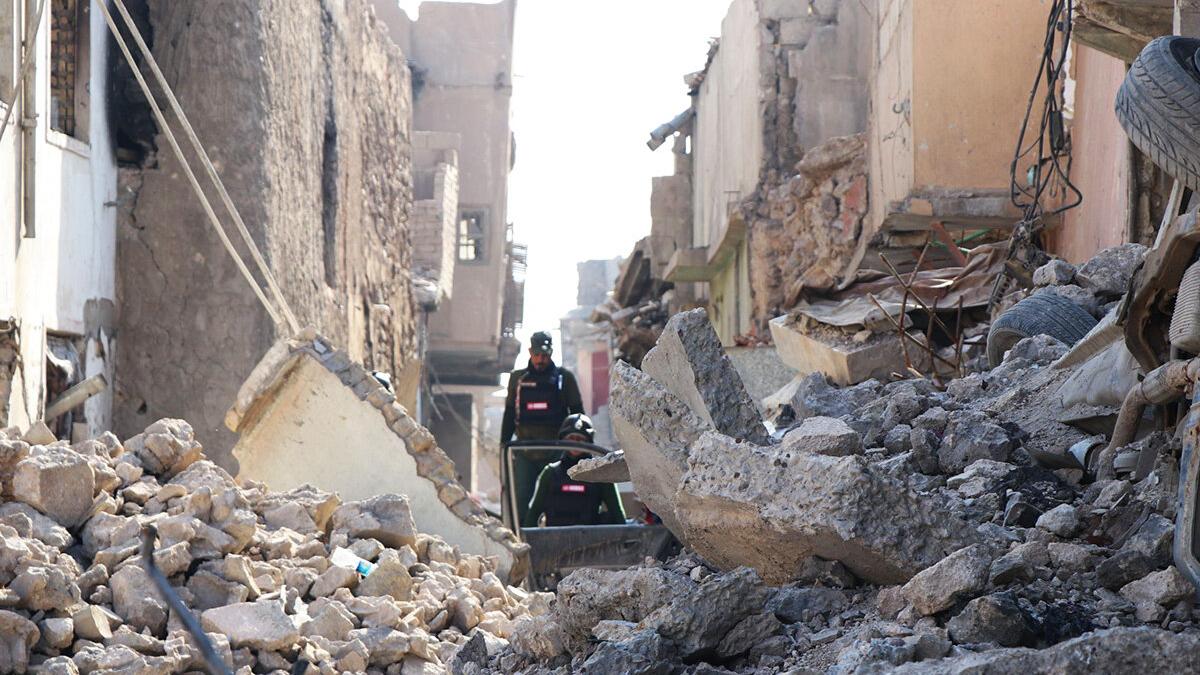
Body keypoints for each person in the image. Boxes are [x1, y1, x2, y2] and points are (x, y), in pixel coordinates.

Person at [501, 331, 584, 525]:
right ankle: (520, 539)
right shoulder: (517, 379)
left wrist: (583, 449)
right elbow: (509, 414)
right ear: (530, 352)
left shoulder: (565, 378)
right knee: (520, 502)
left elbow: (579, 415)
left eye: (545, 355)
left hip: (557, 453)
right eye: (537, 354)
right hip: (525, 452)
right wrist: (503, 445)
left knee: (560, 500)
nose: (540, 359)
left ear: (552, 352)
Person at [523, 414, 626, 528]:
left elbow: (618, 514)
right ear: (563, 440)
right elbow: (533, 514)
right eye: (571, 438)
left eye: (580, 439)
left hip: (593, 541)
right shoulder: (550, 473)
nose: (575, 443)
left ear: (588, 441)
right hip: (554, 540)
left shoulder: (601, 474)